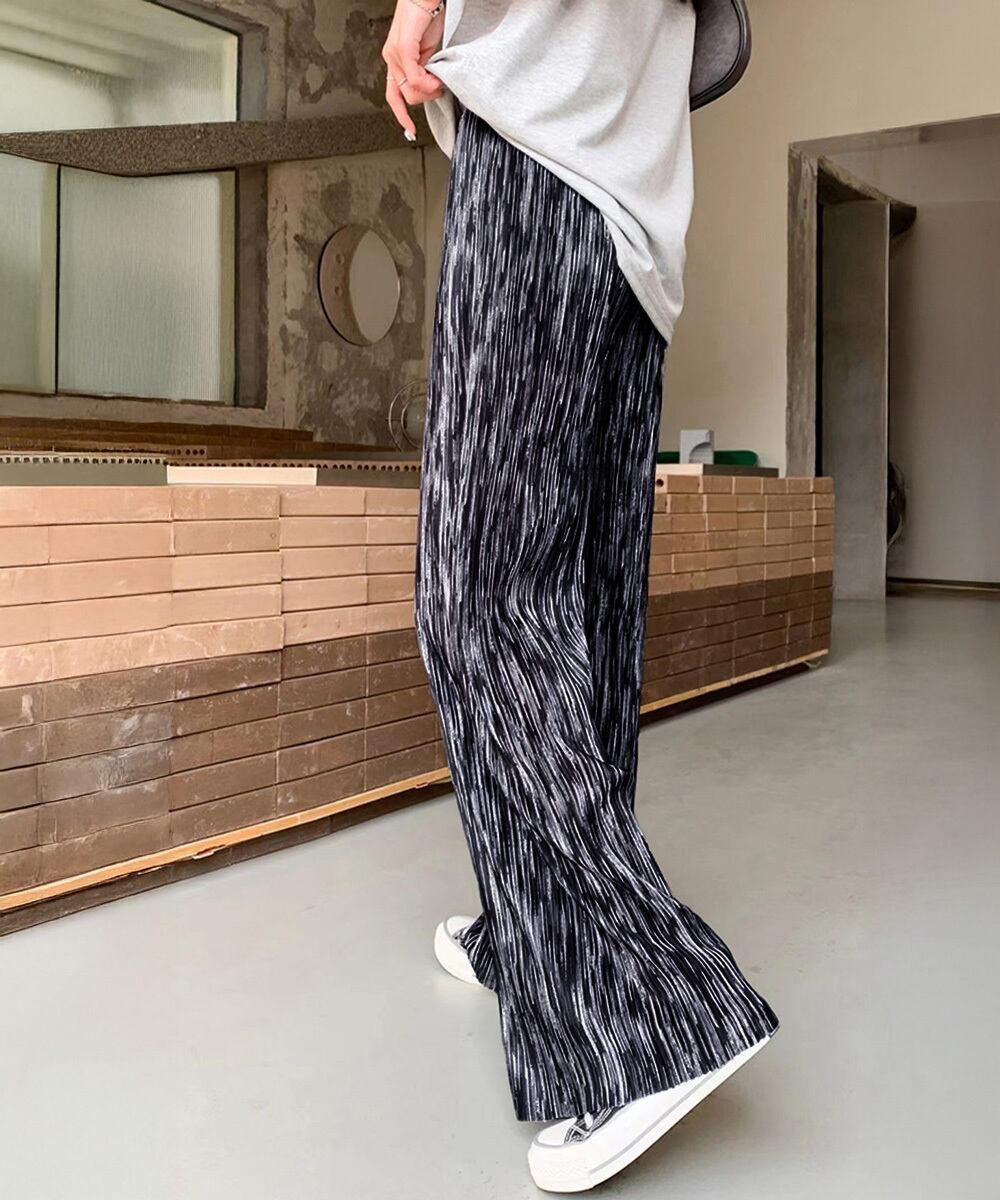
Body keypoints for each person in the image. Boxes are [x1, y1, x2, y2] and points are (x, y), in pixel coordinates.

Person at [380, 0, 779, 1190]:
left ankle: (646, 1015)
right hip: (630, 198)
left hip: (537, 149)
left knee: (481, 599)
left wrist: (415, 11)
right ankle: (538, 937)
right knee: (579, 602)